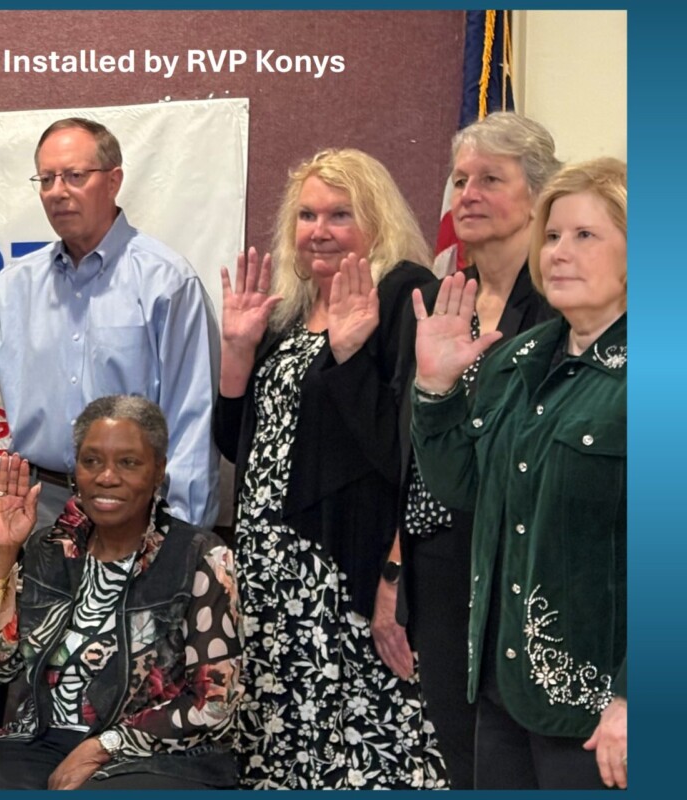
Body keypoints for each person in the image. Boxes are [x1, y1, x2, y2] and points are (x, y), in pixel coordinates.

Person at [213, 148, 445, 788]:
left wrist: (347, 357)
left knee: (368, 750)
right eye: (307, 214)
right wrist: (237, 352)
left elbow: (407, 455)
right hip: (270, 575)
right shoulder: (287, 311)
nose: (320, 229)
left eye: (340, 214)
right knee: (284, 746)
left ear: (376, 221)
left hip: (347, 570)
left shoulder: (404, 296)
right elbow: (241, 446)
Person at [411, 158, 627, 790]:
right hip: (505, 688)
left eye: (586, 236)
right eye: (553, 235)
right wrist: (435, 389)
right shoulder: (518, 358)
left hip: (599, 711)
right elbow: (462, 489)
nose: (559, 252)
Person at [0, 117, 220, 528]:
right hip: (39, 506)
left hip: (136, 506)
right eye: (47, 179)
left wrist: (182, 537)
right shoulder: (17, 285)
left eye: (74, 176)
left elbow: (192, 420)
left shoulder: (167, 283)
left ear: (114, 180)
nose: (58, 192)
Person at [385, 111, 561, 788]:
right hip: (437, 565)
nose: (468, 194)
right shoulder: (432, 300)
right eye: (460, 180)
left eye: (491, 178)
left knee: (523, 759)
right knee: (464, 758)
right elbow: (411, 448)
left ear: (539, 194)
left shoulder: (557, 307)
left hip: (518, 565)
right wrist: (395, 571)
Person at [0, 396, 242, 790]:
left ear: (158, 471)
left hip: (157, 754)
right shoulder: (47, 550)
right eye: (91, 461)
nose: (106, 477)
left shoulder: (201, 558)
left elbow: (214, 702)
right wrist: (3, 556)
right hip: (39, 738)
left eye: (129, 462)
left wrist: (106, 744)